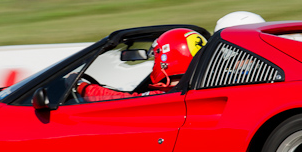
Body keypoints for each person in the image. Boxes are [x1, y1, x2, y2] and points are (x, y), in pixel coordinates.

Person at [76, 28, 205, 102]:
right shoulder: (199, 88)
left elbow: (124, 101)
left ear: (166, 62)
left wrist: (83, 88)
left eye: (156, 57)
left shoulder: (166, 97)